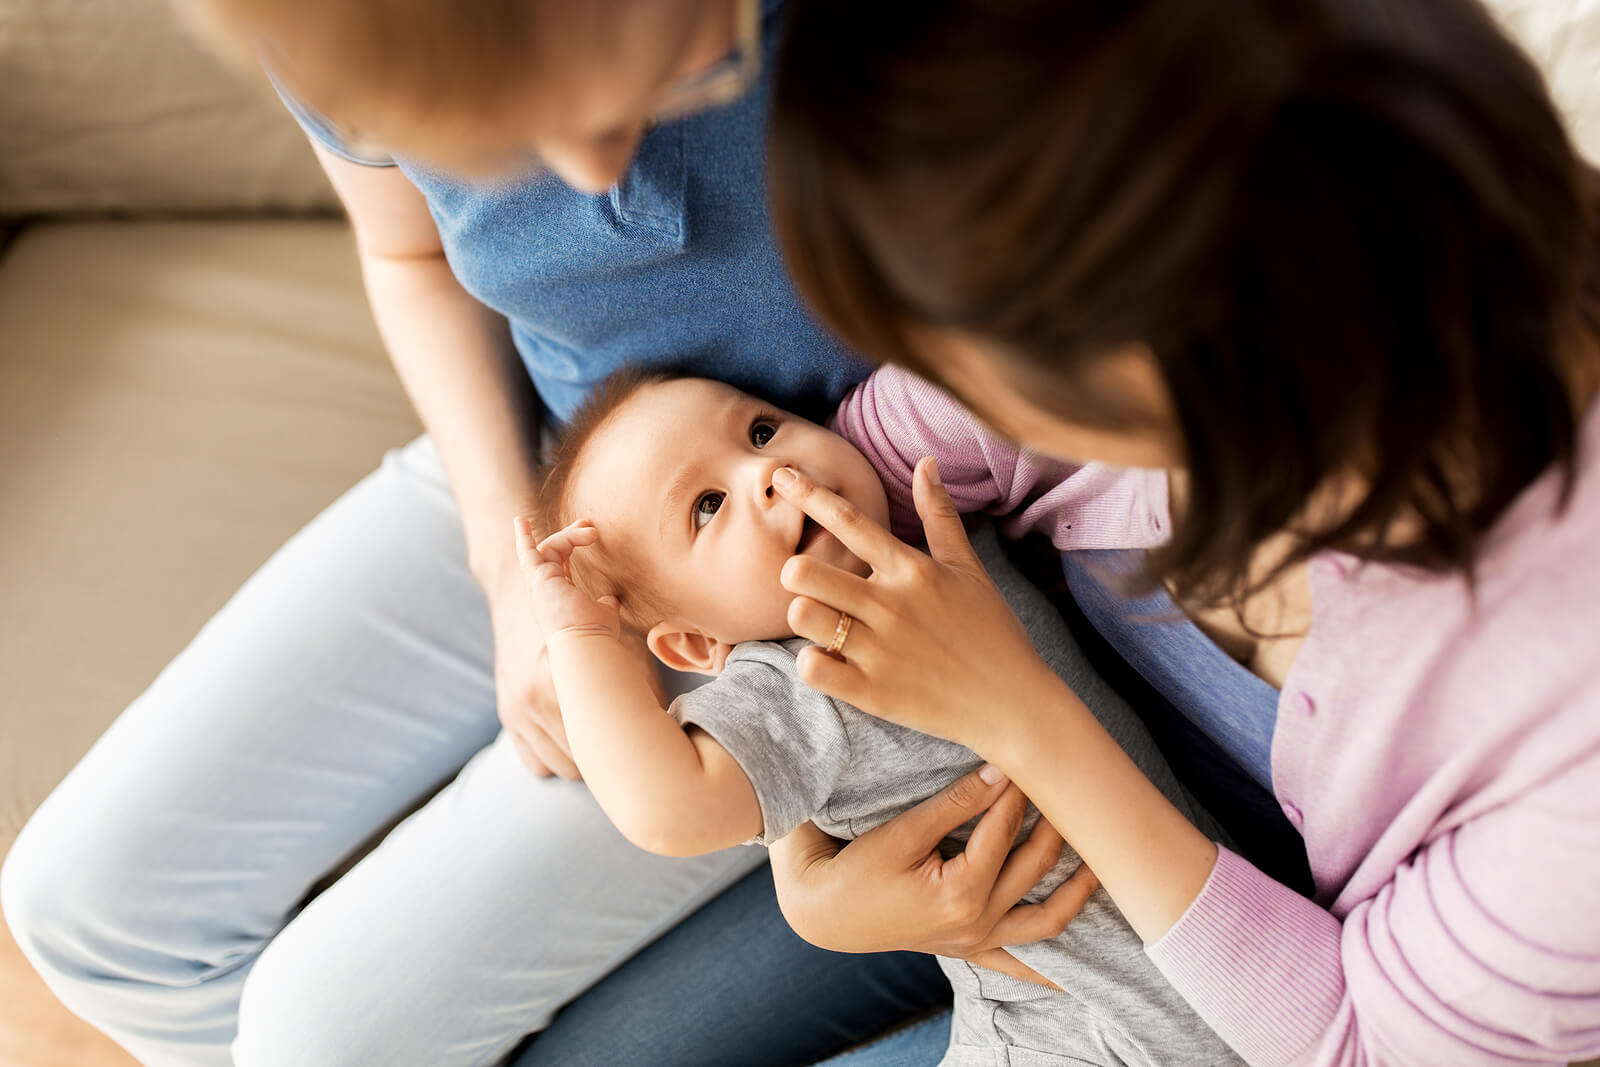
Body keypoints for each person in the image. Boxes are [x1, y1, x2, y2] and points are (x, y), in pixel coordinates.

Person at [0, 1, 956, 1064]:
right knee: (88, 912)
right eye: (502, 140)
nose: (587, 174)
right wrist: (509, 563)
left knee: (325, 1040)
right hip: (549, 453)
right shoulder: (333, 28)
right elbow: (406, 253)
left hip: (801, 563)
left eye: (647, 92)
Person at [754, 0, 1600, 1064]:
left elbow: (1358, 1042)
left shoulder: (1566, 748)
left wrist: (1028, 719)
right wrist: (797, 842)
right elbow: (846, 483)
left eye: (954, 350)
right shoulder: (1182, 207)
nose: (936, 380)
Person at [515, 364, 1239, 1065]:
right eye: (708, 505)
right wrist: (583, 640)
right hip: (1065, 1027)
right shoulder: (793, 680)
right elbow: (665, 809)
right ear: (700, 643)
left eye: (762, 430)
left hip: (1219, 955)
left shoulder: (925, 518)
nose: (766, 472)